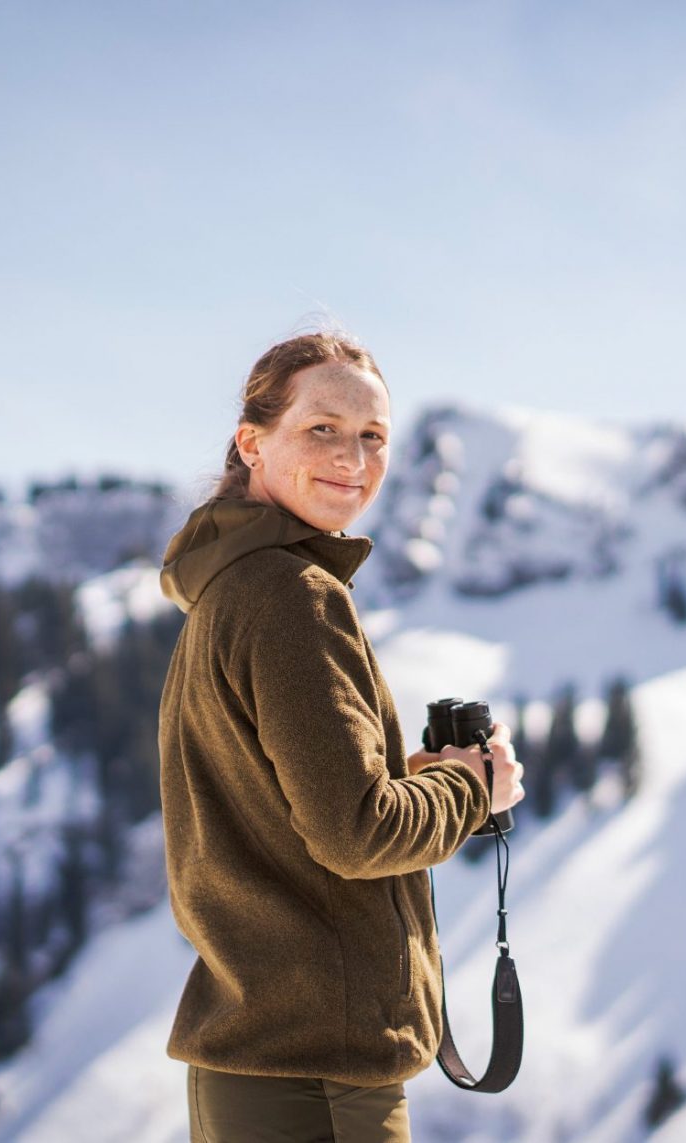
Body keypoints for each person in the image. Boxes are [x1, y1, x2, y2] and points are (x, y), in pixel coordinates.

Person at [157, 330, 524, 1143]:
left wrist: (420, 777)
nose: (351, 457)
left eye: (373, 436)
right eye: (322, 428)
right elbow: (356, 833)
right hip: (317, 1082)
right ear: (253, 440)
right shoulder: (293, 594)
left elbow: (305, 814)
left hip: (261, 1067)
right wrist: (470, 786)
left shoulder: (227, 592)